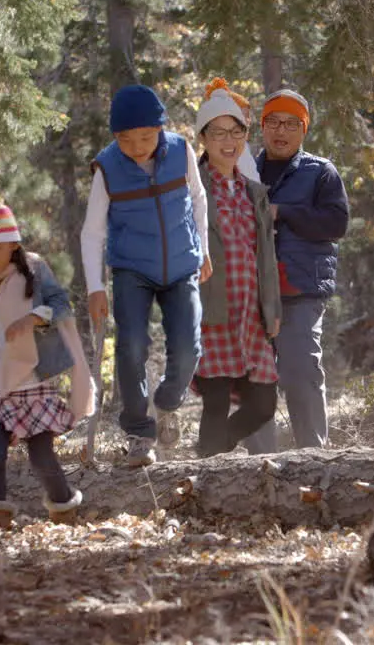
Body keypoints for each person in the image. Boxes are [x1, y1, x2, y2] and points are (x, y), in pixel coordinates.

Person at [0, 189, 95, 529]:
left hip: (35, 383)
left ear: (13, 243)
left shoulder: (35, 271)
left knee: (42, 458)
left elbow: (62, 305)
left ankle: (63, 511)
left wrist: (34, 318)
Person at [81, 84, 211, 467]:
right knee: (132, 346)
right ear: (115, 137)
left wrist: (203, 248)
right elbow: (92, 232)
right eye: (126, 139)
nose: (137, 147)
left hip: (182, 264)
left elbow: (199, 198)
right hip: (132, 269)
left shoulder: (182, 150)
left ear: (160, 130)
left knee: (189, 346)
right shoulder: (106, 168)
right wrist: (95, 287)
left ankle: (167, 404)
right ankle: (139, 433)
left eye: (146, 138)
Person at [246, 89, 349, 452]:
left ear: (303, 130)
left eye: (291, 124)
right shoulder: (243, 169)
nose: (281, 130)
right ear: (262, 127)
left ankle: (313, 455)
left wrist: (284, 212)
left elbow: (337, 223)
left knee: (301, 371)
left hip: (300, 289)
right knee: (254, 377)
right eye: (273, 122)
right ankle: (260, 462)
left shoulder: (320, 172)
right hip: (250, 291)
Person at [190, 80, 282, 457]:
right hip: (213, 309)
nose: (228, 142)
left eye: (235, 132)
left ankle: (210, 454)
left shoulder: (254, 192)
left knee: (263, 404)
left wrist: (272, 308)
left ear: (245, 136)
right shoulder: (193, 188)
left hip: (252, 313)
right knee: (214, 401)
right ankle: (208, 474)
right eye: (218, 134)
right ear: (204, 139)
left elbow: (266, 256)